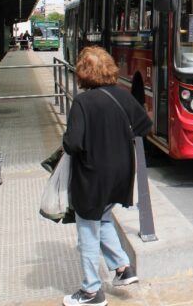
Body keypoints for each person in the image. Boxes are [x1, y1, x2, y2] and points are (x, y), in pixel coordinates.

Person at [62, 46, 152, 306]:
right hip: (122, 173)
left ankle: (91, 291)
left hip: (93, 176)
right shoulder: (123, 96)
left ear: (83, 73)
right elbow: (144, 127)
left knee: (87, 230)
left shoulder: (82, 102)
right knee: (102, 218)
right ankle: (124, 268)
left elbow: (73, 144)